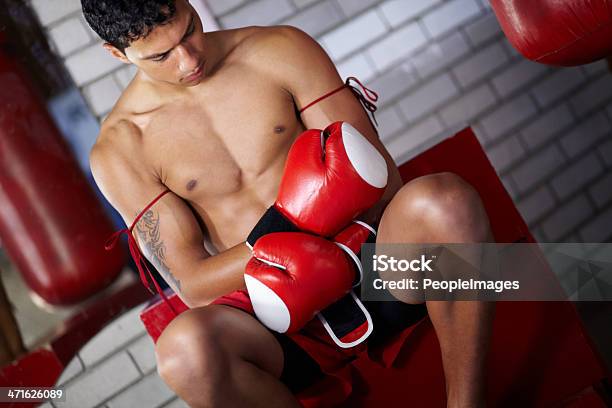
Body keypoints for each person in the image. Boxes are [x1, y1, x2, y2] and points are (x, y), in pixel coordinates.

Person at [83, 1, 495, 406]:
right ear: (117, 53)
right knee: (184, 353)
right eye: (161, 56)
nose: (189, 59)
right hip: (272, 312)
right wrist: (288, 230)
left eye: (189, 29)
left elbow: (377, 175)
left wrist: (311, 232)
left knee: (445, 201)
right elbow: (193, 283)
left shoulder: (279, 50)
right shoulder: (121, 148)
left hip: (365, 258)